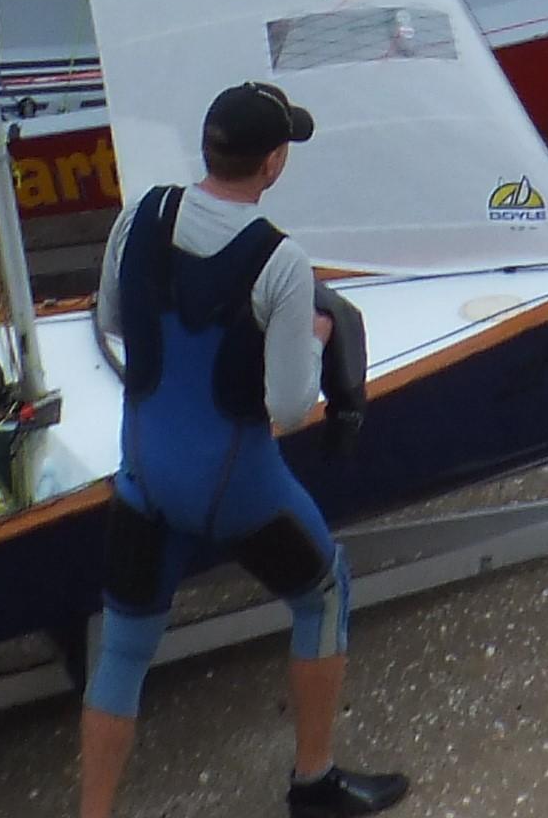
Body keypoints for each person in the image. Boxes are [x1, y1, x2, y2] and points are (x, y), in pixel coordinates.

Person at [81, 82, 408, 818]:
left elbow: (111, 318)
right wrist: (320, 333)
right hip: (234, 489)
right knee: (324, 594)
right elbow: (290, 408)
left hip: (145, 476)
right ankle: (314, 783)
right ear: (273, 164)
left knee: (124, 651)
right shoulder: (280, 263)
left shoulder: (138, 216)